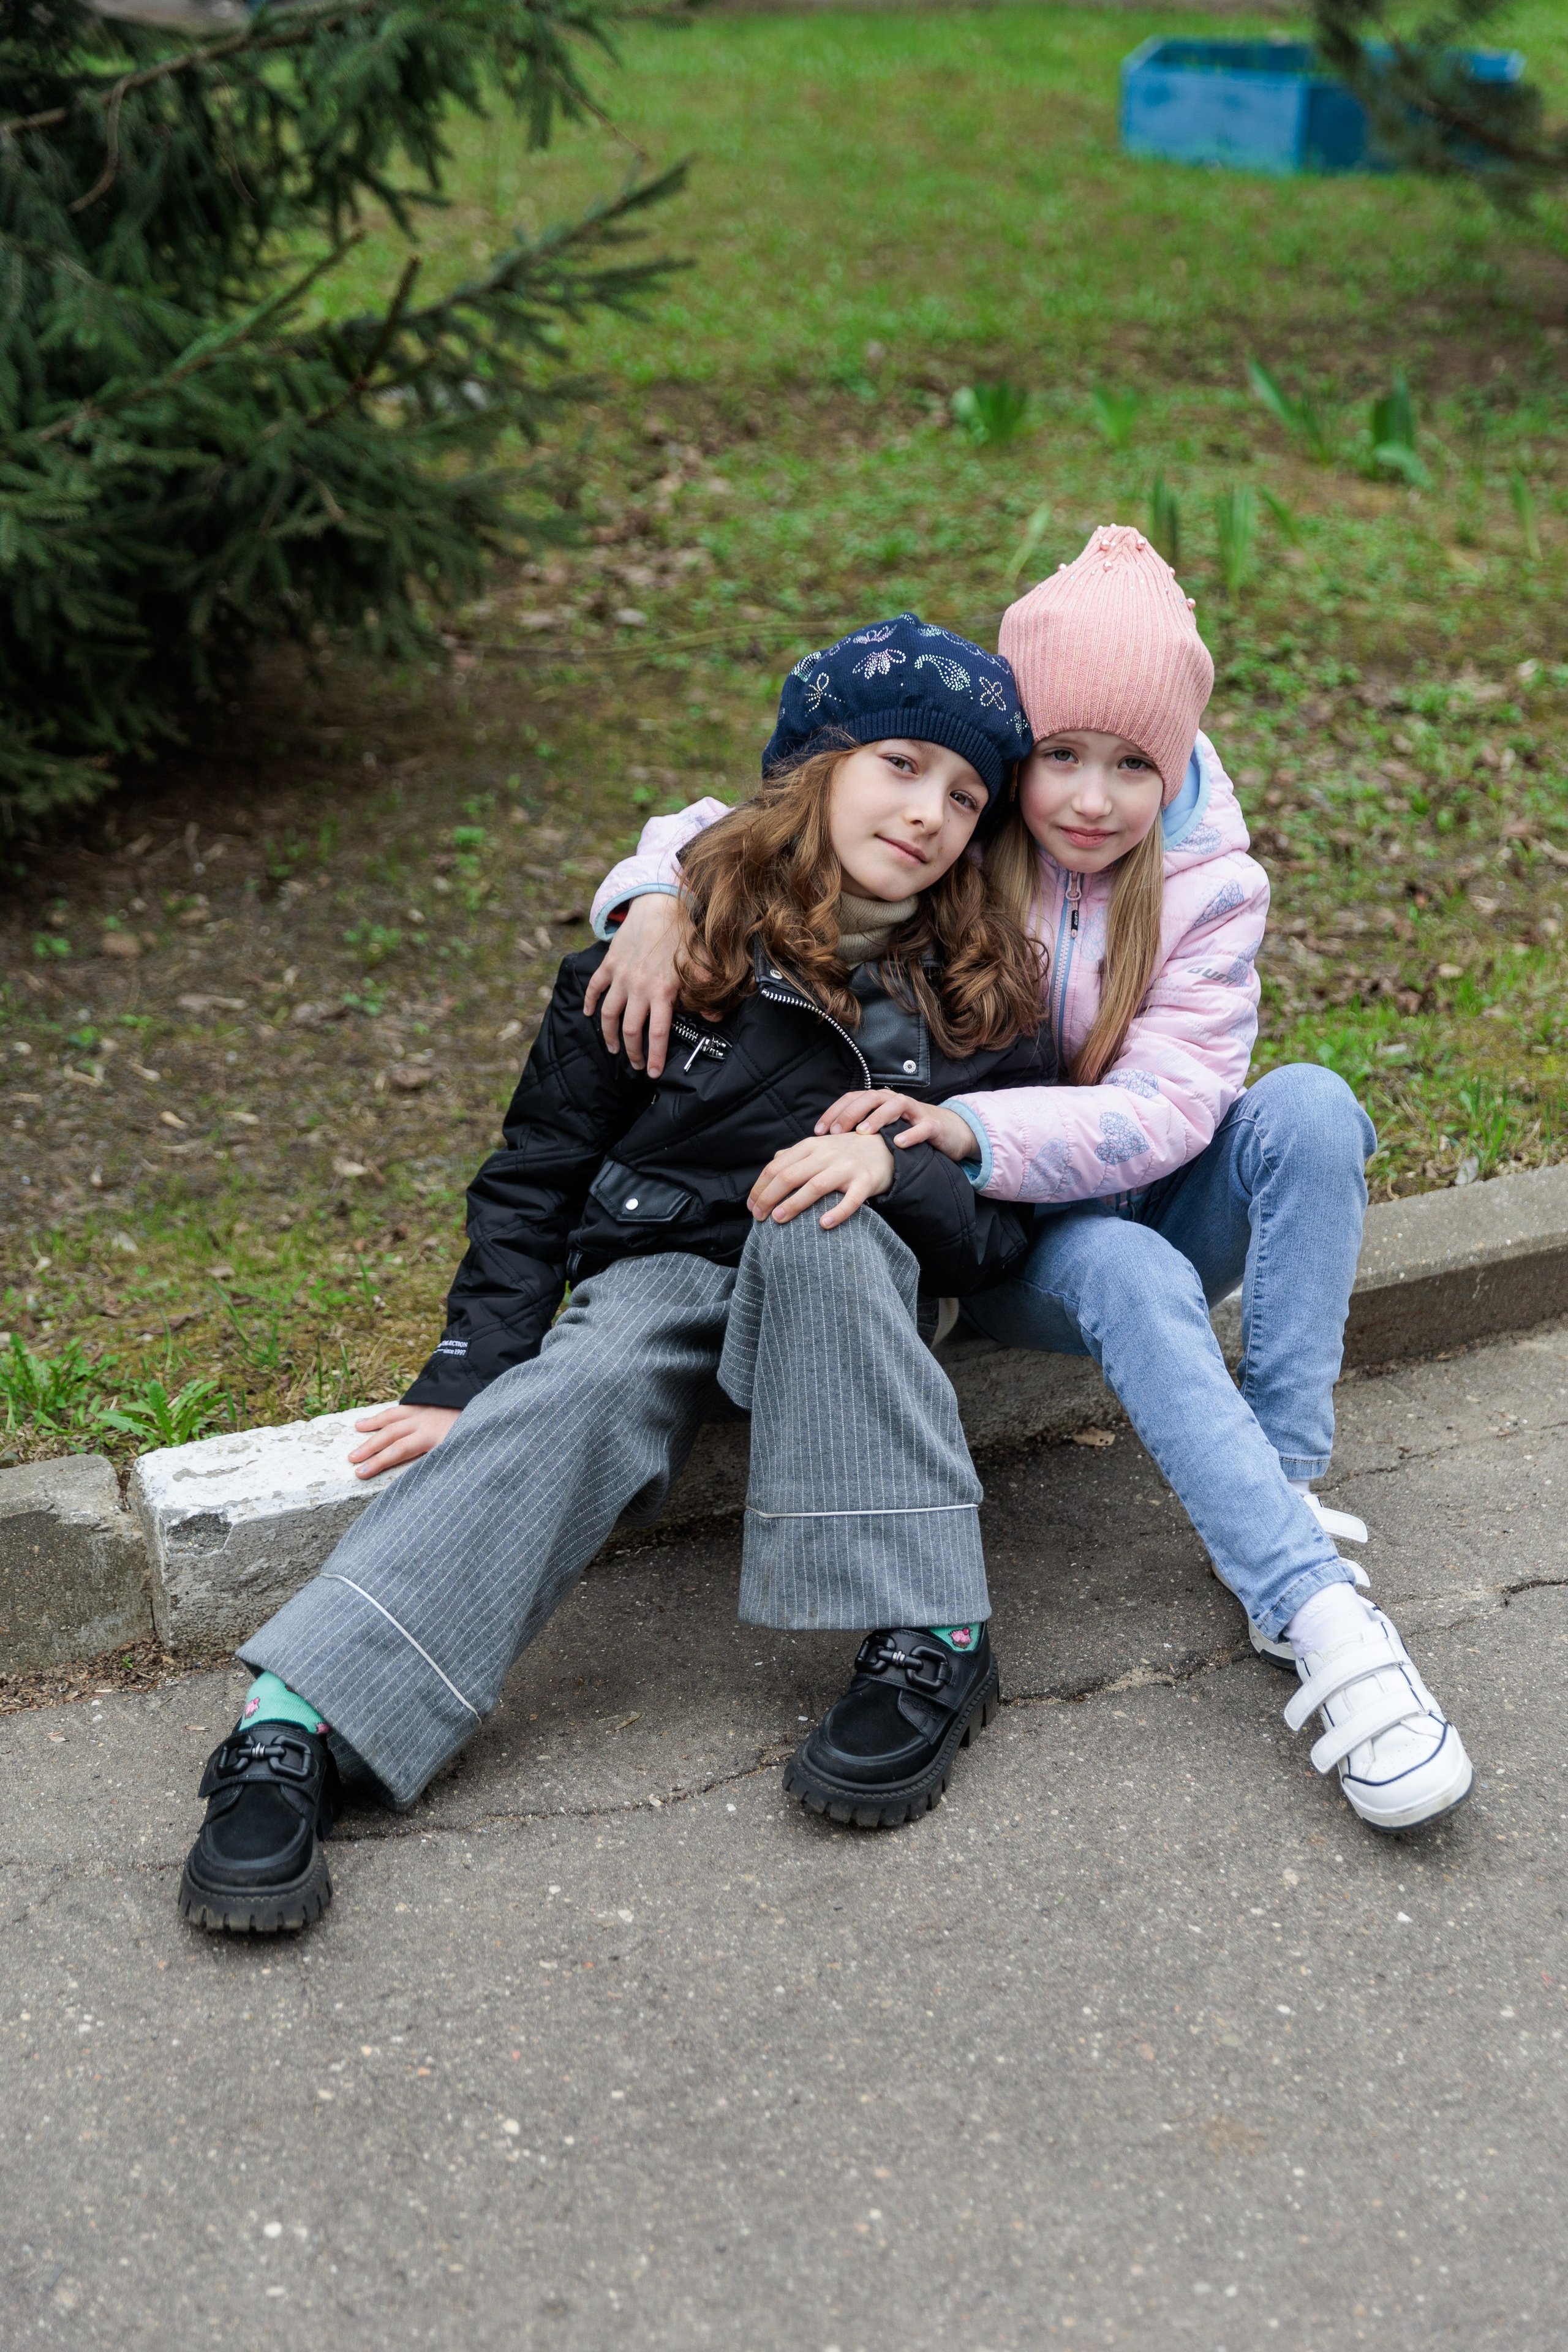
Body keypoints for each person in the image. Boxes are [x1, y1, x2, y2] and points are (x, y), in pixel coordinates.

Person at [179, 616, 1058, 1936]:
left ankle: (930, 1632)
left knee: (814, 1222)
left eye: (966, 797)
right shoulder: (660, 949)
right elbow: (534, 1171)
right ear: (815, 767)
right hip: (662, 1273)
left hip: (854, 1285)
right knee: (582, 1379)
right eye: (899, 763)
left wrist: (902, 1171)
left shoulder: (983, 999)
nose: (929, 813)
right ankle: (297, 1718)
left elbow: (1001, 1240)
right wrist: (469, 1375)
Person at [582, 533, 1472, 1834]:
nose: (1092, 799)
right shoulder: (960, 811)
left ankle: (1276, 1490)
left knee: (1312, 1107)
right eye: (1061, 754)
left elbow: (1172, 1105)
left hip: (1097, 1170)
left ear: (1173, 769)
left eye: (1133, 766)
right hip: (1002, 1241)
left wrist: (968, 1126)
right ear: (1019, 750)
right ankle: (1317, 1614)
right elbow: (748, 814)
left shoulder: (1211, 886)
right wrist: (652, 894)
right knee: (1125, 1267)